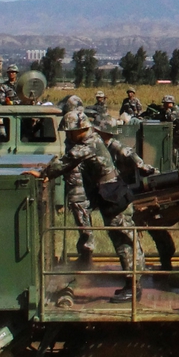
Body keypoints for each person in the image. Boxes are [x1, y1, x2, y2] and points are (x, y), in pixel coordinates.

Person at [41, 114, 149, 266]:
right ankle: (132, 281)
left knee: (124, 239)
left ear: (80, 130)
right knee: (120, 238)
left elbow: (68, 160)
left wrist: (44, 174)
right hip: (109, 193)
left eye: (70, 132)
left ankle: (134, 282)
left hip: (113, 194)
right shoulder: (92, 140)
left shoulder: (88, 145)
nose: (68, 136)